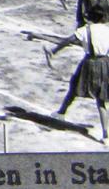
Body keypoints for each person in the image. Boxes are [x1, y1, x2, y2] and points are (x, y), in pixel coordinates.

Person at [44, 9, 109, 145]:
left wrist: (53, 51)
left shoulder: (85, 30)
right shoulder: (107, 30)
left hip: (90, 64)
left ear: (89, 18)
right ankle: (106, 135)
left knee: (74, 87)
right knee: (101, 99)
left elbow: (68, 41)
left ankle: (61, 113)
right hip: (105, 64)